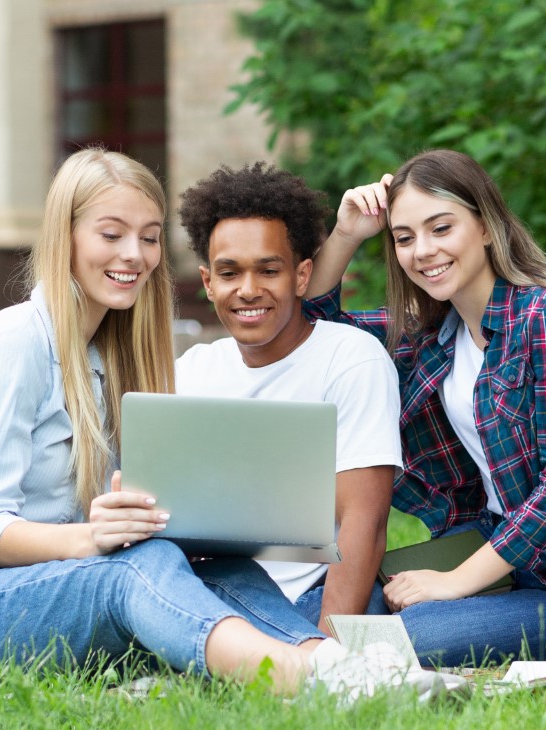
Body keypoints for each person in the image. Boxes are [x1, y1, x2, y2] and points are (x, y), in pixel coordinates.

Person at [0, 149, 430, 697]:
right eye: (111, 234)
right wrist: (95, 537)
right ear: (64, 238)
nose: (134, 255)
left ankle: (333, 662)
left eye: (148, 237)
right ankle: (298, 679)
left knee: (208, 560)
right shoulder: (17, 343)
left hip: (37, 585)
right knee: (132, 569)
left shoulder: (115, 355)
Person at [305, 150, 546, 666]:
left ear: (486, 227)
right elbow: (316, 325)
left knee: (383, 643)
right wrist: (347, 234)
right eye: (404, 238)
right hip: (482, 547)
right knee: (321, 611)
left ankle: (293, 676)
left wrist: (453, 583)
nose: (423, 251)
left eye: (441, 228)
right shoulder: (431, 335)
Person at [171, 163, 402, 636]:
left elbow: (364, 521)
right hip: (204, 588)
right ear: (208, 281)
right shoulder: (191, 370)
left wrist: (328, 644)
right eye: (229, 273)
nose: (248, 290)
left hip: (305, 598)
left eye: (268, 270)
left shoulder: (350, 357)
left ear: (301, 276)